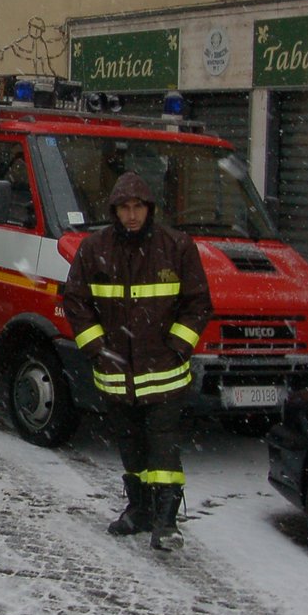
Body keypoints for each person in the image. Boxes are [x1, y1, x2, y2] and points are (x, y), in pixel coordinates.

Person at [61, 171, 211, 551]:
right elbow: (75, 302)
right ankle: (139, 509)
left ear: (149, 209)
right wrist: (97, 349)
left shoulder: (176, 247)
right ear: (115, 210)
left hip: (165, 377)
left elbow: (198, 304)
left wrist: (178, 346)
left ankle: (166, 521)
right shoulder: (95, 248)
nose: (131, 216)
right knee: (131, 449)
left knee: (163, 451)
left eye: (138, 207)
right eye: (125, 208)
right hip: (115, 376)